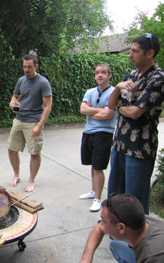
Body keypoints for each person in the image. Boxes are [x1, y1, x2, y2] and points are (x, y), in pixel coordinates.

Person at [107, 33, 164, 214]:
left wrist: (119, 107)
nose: (130, 55)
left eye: (135, 51)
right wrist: (117, 87)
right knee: (115, 193)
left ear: (150, 53)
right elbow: (110, 104)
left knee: (135, 200)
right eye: (130, 50)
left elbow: (135, 113)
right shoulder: (131, 75)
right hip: (120, 144)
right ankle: (116, 229)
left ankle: (136, 240)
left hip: (139, 149)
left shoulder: (158, 79)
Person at [8, 52, 53, 192]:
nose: (26, 70)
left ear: (36, 66)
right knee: (11, 149)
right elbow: (15, 95)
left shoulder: (43, 83)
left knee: (34, 153)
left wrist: (39, 125)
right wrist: (13, 101)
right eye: (24, 67)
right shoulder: (21, 80)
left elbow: (48, 106)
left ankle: (31, 180)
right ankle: (16, 175)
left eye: (29, 67)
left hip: (34, 122)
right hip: (19, 119)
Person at [80, 194, 164, 263]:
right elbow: (98, 229)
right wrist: (86, 259)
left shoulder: (152, 257)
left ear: (121, 227)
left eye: (104, 221)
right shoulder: (135, 219)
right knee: (116, 246)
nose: (101, 223)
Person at [79, 64, 117, 212]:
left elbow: (108, 115)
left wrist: (91, 111)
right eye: (97, 73)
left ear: (109, 75)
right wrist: (101, 111)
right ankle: (93, 191)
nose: (99, 75)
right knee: (93, 165)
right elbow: (83, 110)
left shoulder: (113, 93)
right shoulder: (90, 92)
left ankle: (98, 199)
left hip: (104, 133)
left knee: (99, 167)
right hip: (88, 132)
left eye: (103, 73)